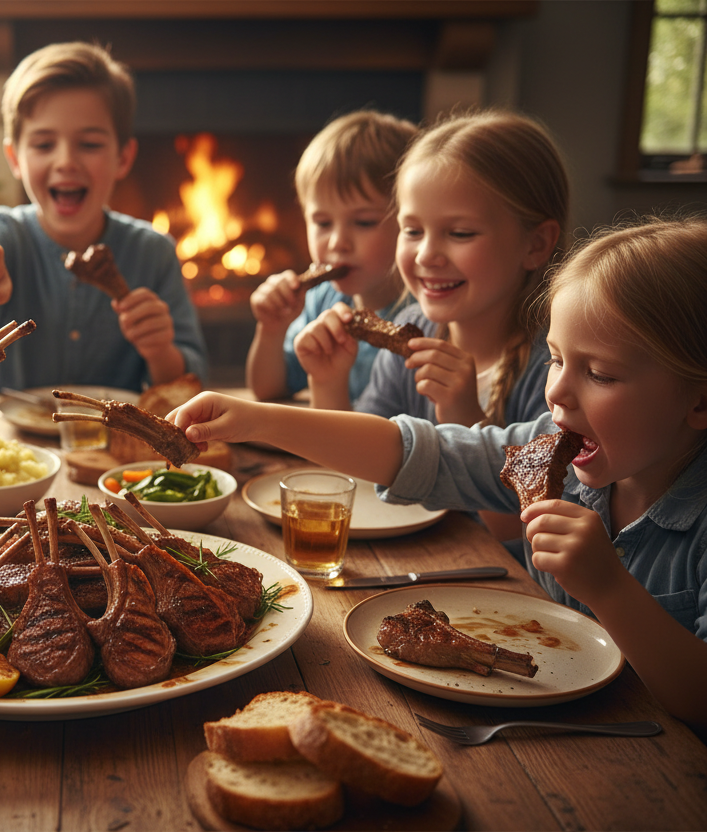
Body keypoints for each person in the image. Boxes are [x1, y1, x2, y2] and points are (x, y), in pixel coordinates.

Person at [168, 216, 707, 732]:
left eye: (601, 374)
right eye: (556, 359)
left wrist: (610, 587)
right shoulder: (549, 444)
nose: (559, 392)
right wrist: (259, 418)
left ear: (698, 399)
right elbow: (422, 452)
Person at [337, 109, 568, 548]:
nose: (426, 255)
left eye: (459, 233)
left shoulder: (558, 371)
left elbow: (523, 541)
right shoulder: (411, 337)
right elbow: (358, 476)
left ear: (535, 244)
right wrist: (327, 378)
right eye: (411, 230)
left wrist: (465, 420)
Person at [0, 41, 207, 393]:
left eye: (89, 144)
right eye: (43, 145)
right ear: (14, 158)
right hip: (8, 438)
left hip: (112, 443)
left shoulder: (154, 252)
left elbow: (191, 379)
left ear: (124, 158)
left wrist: (160, 350)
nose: (66, 161)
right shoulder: (4, 234)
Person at [245, 110, 418, 406]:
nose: (338, 242)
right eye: (323, 224)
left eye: (363, 222)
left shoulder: (420, 318)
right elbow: (268, 390)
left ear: (410, 224)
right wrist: (272, 331)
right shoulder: (322, 299)